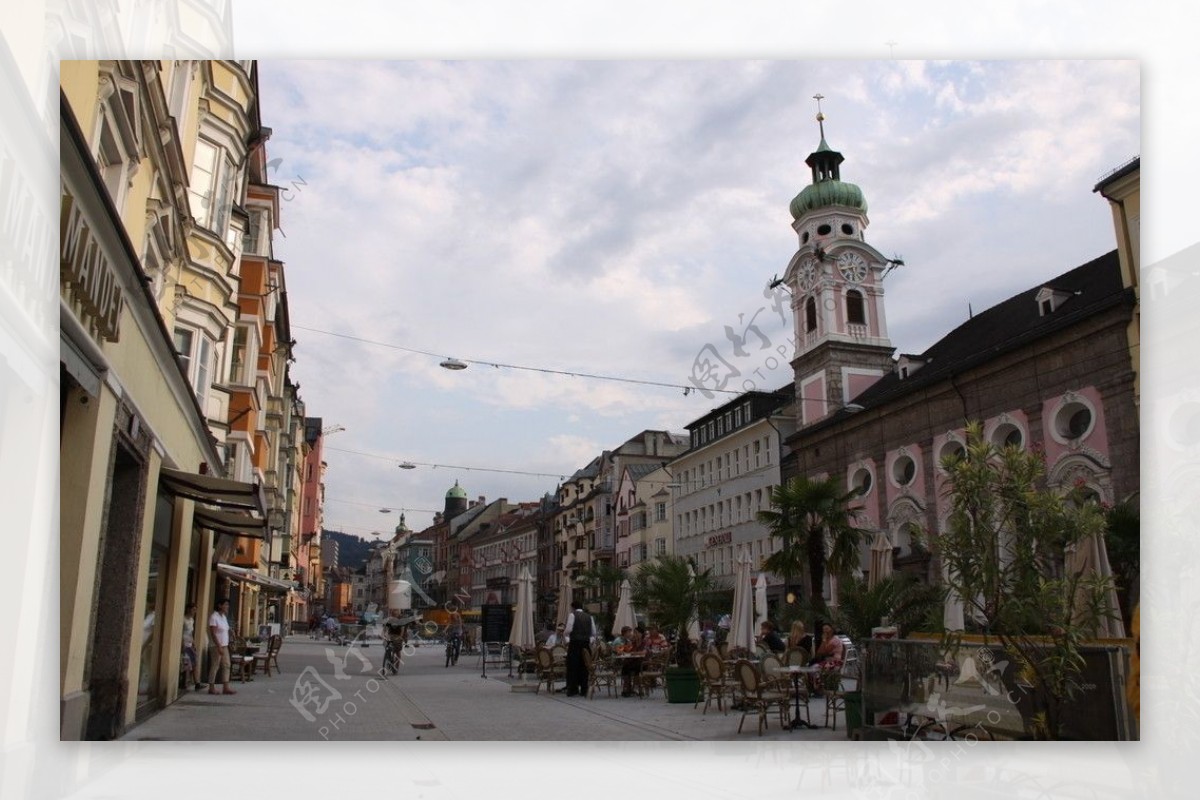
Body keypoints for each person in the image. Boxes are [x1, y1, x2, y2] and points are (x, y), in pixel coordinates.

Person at [563, 602, 596, 697]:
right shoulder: (589, 617)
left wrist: (566, 636)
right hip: (585, 644)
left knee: (573, 666)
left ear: (573, 607)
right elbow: (593, 632)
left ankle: (573, 689)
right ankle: (584, 689)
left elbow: (569, 629)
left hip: (575, 643)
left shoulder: (572, 615)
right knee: (584, 666)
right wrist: (588, 640)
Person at [207, 599, 236, 695]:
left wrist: (231, 632)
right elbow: (213, 633)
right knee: (215, 665)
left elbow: (226, 628)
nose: (227, 606)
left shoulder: (223, 616)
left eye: (228, 605)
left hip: (224, 645)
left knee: (227, 665)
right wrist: (218, 646)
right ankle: (211, 687)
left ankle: (226, 687)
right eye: (225, 605)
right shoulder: (214, 617)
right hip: (216, 645)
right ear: (219, 605)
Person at [182, 603, 206, 691]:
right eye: (193, 609)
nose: (194, 612)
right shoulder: (183, 619)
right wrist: (182, 644)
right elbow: (181, 632)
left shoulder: (192, 620)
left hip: (189, 643)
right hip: (184, 643)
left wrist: (194, 643)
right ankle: (185, 682)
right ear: (188, 609)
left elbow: (190, 633)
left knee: (194, 662)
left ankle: (196, 683)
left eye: (195, 610)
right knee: (186, 663)